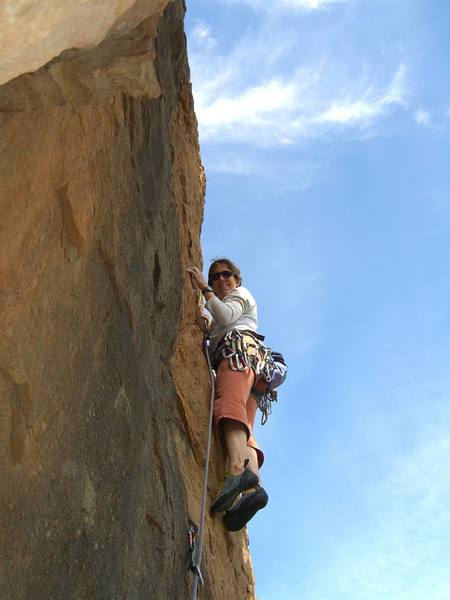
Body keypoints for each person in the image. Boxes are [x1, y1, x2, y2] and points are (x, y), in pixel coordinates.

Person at [187, 258, 268, 531]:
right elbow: (217, 327)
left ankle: (235, 470)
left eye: (226, 274)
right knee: (244, 427)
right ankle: (252, 488)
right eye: (213, 278)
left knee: (228, 406)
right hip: (254, 371)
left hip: (238, 356)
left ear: (237, 279)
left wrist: (203, 289)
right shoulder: (231, 304)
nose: (220, 280)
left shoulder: (239, 295)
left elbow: (225, 317)